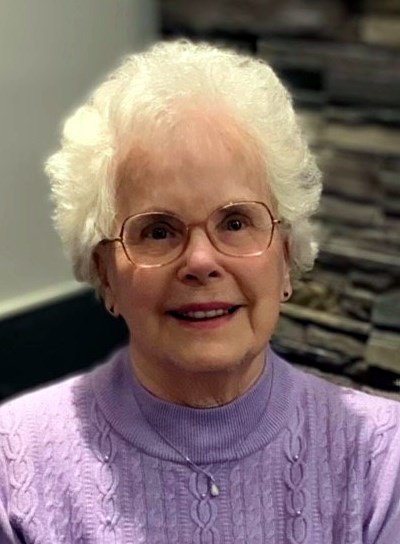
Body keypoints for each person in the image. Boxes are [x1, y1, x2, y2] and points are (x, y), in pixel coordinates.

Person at [0, 40, 399, 544]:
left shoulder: (383, 460)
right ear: (105, 273)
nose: (201, 262)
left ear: (286, 256)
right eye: (158, 231)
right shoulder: (13, 466)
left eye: (235, 222)